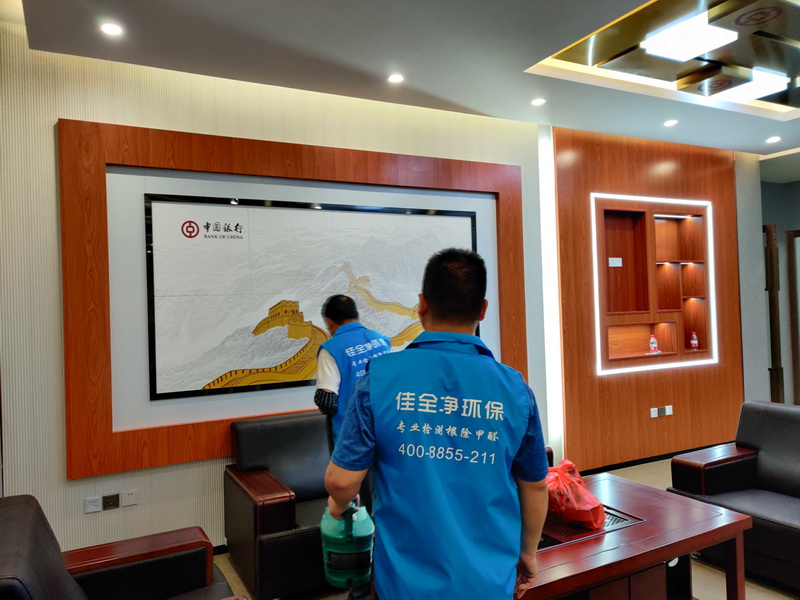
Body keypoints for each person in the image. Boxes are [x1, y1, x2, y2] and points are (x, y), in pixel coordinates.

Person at [324, 248, 550, 600]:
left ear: (422, 305)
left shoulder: (378, 380)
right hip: (488, 581)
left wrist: (337, 506)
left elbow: (341, 482)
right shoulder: (515, 389)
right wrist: (528, 554)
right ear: (483, 310)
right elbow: (534, 486)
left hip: (403, 582)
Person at [314, 294, 391, 448]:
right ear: (357, 316)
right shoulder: (382, 341)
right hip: (385, 427)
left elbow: (326, 400)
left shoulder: (331, 349)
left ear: (329, 322)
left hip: (350, 436)